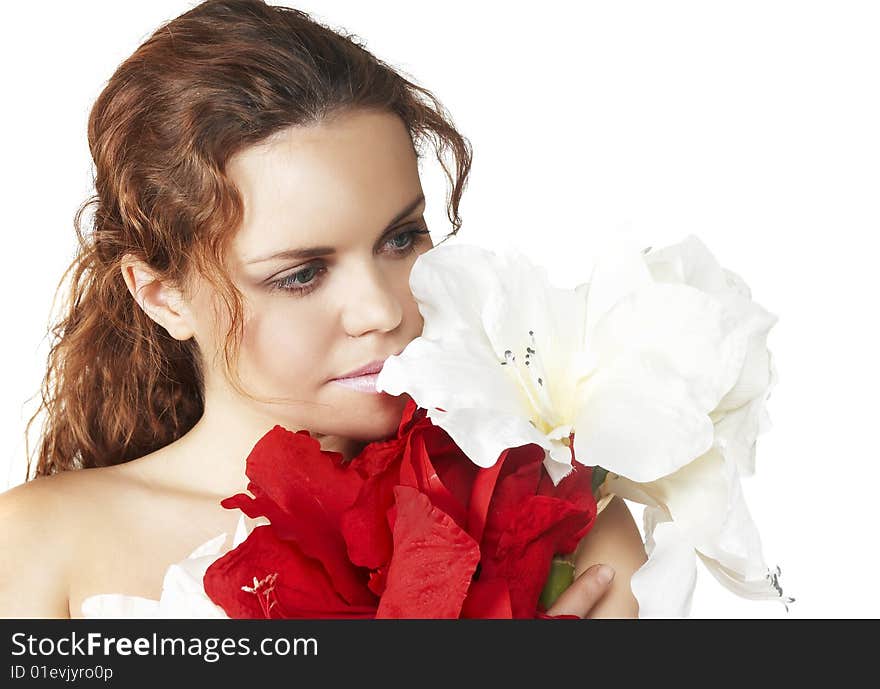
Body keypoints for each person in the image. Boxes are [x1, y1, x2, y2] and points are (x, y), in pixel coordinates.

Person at [0, 0, 647, 619]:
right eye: (302, 274)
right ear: (163, 297)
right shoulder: (44, 542)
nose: (380, 310)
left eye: (401, 238)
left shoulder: (560, 511)